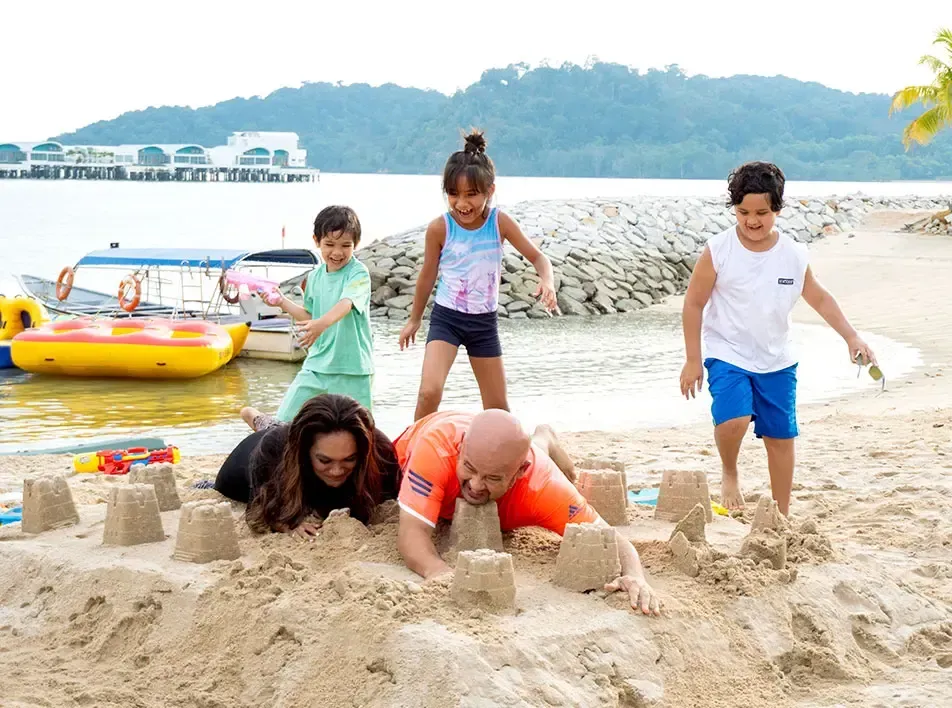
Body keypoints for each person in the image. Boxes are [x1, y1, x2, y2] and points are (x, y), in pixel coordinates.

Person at [679, 161, 876, 517]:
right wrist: (693, 359)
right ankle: (730, 470)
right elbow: (693, 304)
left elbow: (819, 297)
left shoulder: (793, 254)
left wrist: (852, 337)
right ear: (734, 209)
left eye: (762, 213)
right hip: (728, 352)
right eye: (743, 212)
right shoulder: (718, 249)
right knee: (734, 419)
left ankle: (781, 515)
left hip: (777, 359)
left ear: (778, 210)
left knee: (781, 438)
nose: (752, 221)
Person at [393, 409, 661, 616]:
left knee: (537, 454)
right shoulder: (437, 449)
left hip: (525, 462)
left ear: (520, 473)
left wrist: (635, 575)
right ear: (461, 450)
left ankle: (544, 438)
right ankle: (537, 441)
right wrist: (439, 571)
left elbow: (611, 538)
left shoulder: (542, 486)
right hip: (424, 435)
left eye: (491, 478)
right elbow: (411, 535)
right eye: (469, 468)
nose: (475, 485)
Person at [398, 130, 558, 421]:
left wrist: (547, 281)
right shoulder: (440, 228)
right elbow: (427, 275)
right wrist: (414, 319)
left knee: (498, 409)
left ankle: (506, 457)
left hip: (484, 324)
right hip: (447, 319)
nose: (462, 203)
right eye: (454, 194)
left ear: (489, 191)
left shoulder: (500, 222)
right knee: (429, 392)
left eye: (471, 194)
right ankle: (412, 451)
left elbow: (538, 257)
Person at [215, 394, 400, 536]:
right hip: (248, 458)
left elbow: (390, 499)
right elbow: (260, 513)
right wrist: (285, 523)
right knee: (273, 430)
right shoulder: (274, 451)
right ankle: (252, 415)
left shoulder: (381, 450)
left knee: (278, 426)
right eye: (325, 461)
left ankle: (258, 418)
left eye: (349, 459)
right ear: (304, 452)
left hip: (287, 432)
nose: (336, 471)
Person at [268, 205, 374, 422]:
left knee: (359, 430)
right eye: (329, 245)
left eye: (346, 245)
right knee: (286, 419)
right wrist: (282, 301)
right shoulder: (314, 277)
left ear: (356, 244)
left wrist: (321, 324)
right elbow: (310, 317)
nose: (337, 252)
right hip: (317, 365)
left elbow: (346, 303)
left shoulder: (358, 273)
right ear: (316, 241)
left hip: (353, 368)